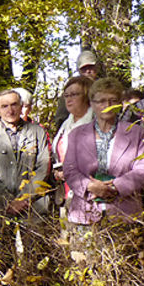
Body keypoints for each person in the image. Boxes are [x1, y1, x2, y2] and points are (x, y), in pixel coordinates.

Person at [63, 78, 144, 233]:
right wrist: (90, 186)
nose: (107, 106)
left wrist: (115, 187)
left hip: (125, 213)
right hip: (84, 214)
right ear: (91, 103)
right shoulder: (76, 135)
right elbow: (70, 170)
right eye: (101, 101)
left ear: (120, 104)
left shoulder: (137, 133)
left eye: (113, 100)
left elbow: (142, 171)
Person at [0, 90, 52, 222]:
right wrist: (7, 201)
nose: (10, 110)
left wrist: (23, 200)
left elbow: (43, 168)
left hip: (33, 208)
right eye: (4, 106)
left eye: (14, 105)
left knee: (35, 243)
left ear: (21, 106)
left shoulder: (37, 132)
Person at [51, 76, 94, 209]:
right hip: (66, 192)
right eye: (66, 95)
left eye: (74, 94)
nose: (69, 99)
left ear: (87, 96)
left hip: (91, 192)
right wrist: (58, 172)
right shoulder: (66, 123)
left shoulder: (96, 123)